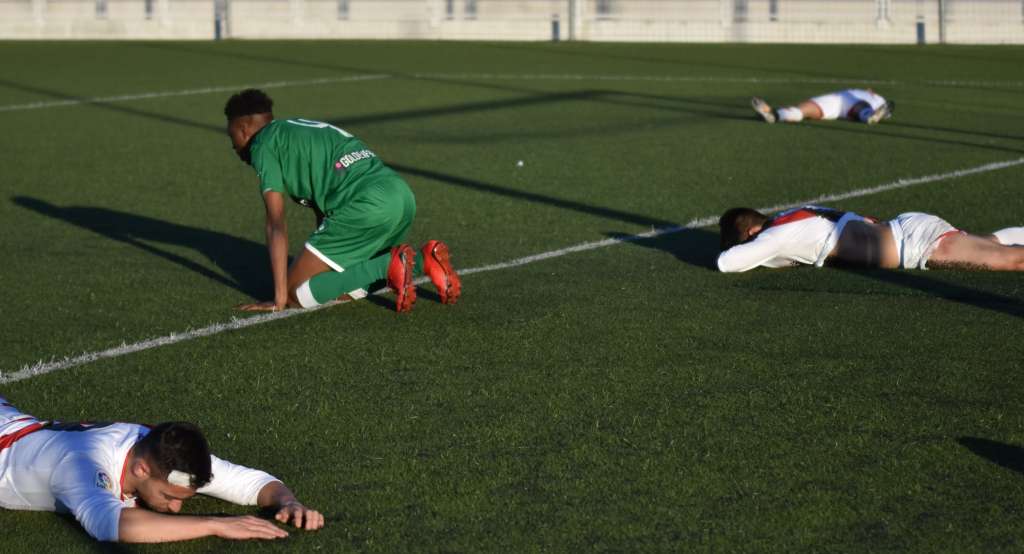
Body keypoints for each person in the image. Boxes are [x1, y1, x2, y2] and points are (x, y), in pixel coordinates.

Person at [224, 89, 461, 313]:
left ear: (243, 129)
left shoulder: (262, 144)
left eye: (231, 134)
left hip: (366, 205)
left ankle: (387, 264)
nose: (233, 144)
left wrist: (279, 298)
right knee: (341, 288)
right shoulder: (299, 129)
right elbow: (322, 203)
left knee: (295, 294)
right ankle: (423, 260)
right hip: (401, 196)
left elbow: (275, 222)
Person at [0, 396, 324, 543]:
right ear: (141, 469)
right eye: (169, 496)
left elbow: (251, 483)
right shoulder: (83, 462)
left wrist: (288, 501)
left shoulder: (164, 451)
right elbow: (111, 525)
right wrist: (215, 524)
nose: (176, 506)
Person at [717, 205, 1024, 273]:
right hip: (907, 230)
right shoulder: (791, 215)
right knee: (990, 244)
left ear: (752, 233)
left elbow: (728, 264)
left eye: (744, 241)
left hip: (917, 244)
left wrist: (746, 250)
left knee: (1013, 260)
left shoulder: (775, 235)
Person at [751, 89, 893, 125]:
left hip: (851, 102)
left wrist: (881, 111)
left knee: (861, 105)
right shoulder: (860, 91)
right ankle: (775, 115)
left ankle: (869, 116)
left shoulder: (878, 98)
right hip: (838, 100)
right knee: (804, 109)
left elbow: (886, 111)